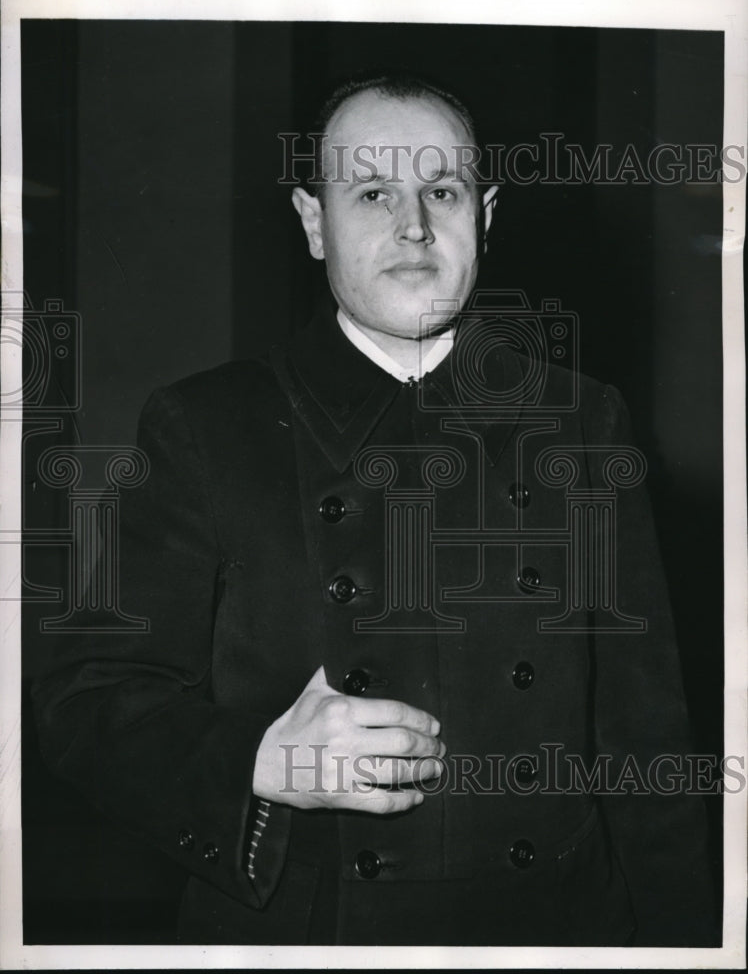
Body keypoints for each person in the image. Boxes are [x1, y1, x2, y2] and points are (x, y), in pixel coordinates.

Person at [32, 71, 716, 946]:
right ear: (315, 224)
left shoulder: (584, 419)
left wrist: (683, 949)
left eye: (442, 190)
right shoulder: (205, 425)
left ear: (488, 213)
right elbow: (84, 703)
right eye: (371, 193)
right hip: (309, 933)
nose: (414, 227)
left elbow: (646, 734)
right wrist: (259, 762)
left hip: (554, 929)